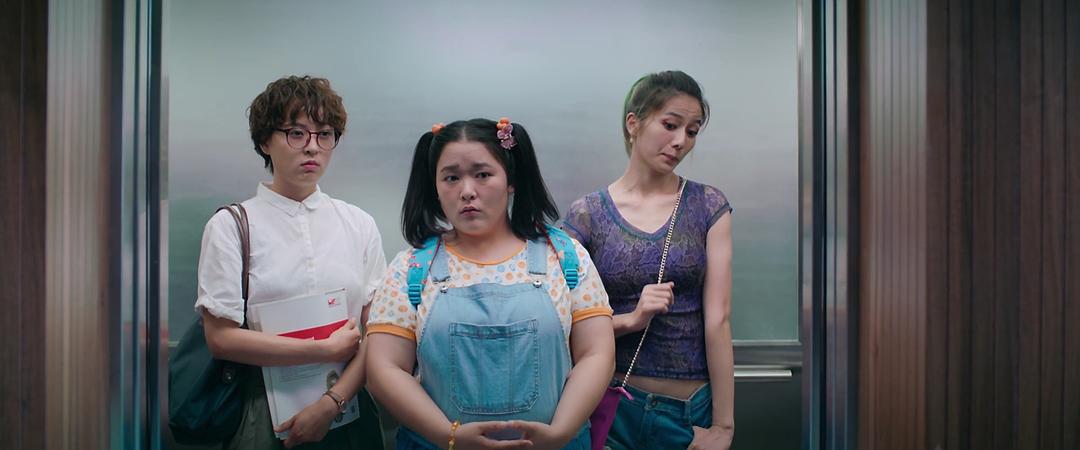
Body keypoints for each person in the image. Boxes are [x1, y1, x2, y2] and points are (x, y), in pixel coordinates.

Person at [365, 118, 615, 450]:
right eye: (451, 177)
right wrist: (449, 436)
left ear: (511, 180)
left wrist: (560, 433)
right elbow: (384, 368)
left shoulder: (565, 257)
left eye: (482, 174)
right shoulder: (410, 269)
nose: (467, 191)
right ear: (435, 186)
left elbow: (596, 353)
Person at [195, 75, 385, 449]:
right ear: (265, 141)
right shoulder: (232, 225)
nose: (312, 147)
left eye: (324, 134)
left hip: (348, 404)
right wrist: (322, 350)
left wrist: (331, 404)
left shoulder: (358, 223)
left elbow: (378, 332)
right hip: (262, 410)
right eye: (296, 133)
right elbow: (220, 338)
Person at [561, 71, 735, 450]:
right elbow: (563, 323)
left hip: (687, 410)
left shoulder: (707, 205)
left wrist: (724, 425)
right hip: (610, 406)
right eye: (670, 125)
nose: (681, 141)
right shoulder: (587, 215)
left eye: (692, 131)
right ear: (633, 123)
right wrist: (631, 319)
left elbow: (718, 319)